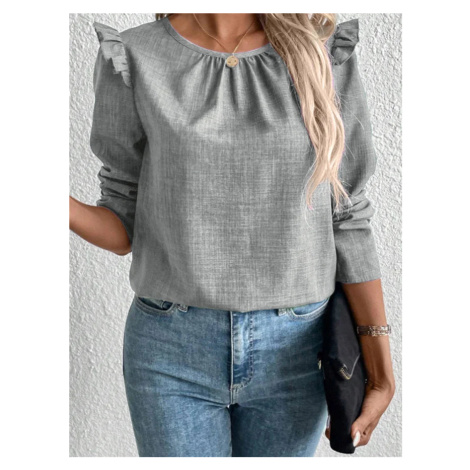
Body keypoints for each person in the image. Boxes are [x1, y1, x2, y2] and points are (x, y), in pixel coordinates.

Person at [70, 13, 395, 457]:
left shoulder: (321, 50)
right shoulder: (134, 57)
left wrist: (381, 369)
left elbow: (348, 213)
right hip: (171, 348)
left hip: (298, 350)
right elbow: (121, 226)